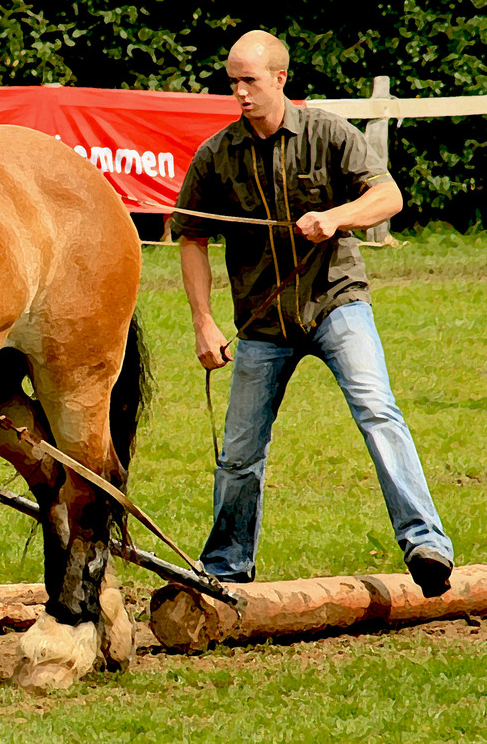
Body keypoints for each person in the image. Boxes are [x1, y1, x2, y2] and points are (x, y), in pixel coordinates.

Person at [171, 30, 454, 597]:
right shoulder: (216, 156)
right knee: (241, 451)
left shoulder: (328, 133)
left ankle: (427, 546)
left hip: (336, 303)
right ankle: (227, 567)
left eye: (249, 80)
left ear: (280, 79)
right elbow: (190, 237)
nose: (240, 93)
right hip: (260, 324)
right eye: (233, 82)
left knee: (378, 411)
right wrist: (203, 321)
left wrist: (337, 216)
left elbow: (388, 196)